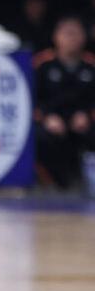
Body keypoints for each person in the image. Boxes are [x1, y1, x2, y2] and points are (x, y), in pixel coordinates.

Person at [34, 16, 95, 189]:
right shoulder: (42, 63)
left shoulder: (91, 64)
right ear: (56, 36)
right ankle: (52, 182)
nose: (71, 39)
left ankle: (86, 180)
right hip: (51, 120)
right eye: (67, 33)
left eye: (75, 33)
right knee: (39, 136)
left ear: (84, 37)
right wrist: (46, 118)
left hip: (83, 120)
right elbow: (30, 99)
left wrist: (88, 116)